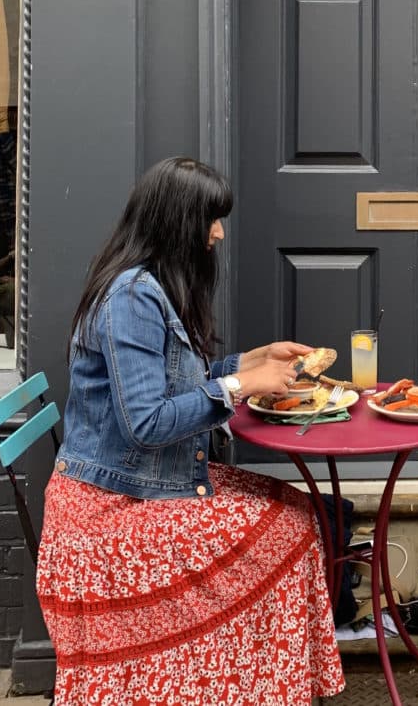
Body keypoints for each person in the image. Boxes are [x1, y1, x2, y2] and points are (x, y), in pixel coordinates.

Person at [36, 157, 345, 705]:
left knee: (299, 512)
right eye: (210, 219)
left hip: (146, 487)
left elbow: (173, 382)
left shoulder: (145, 286)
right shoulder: (130, 298)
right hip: (106, 515)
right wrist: (241, 387)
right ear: (176, 222)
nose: (219, 232)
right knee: (293, 527)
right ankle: (253, 687)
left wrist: (250, 360)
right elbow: (147, 424)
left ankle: (251, 685)